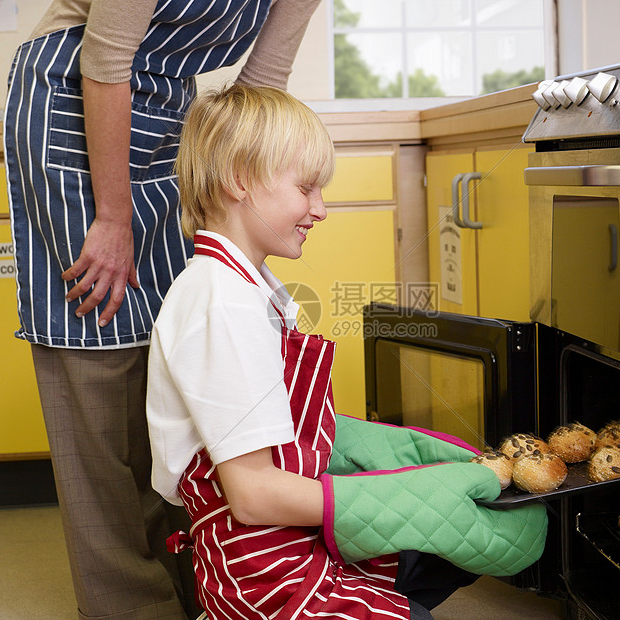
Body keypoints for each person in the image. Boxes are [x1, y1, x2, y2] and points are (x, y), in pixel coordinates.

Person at [146, 83, 549, 620]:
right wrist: (410, 495)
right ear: (238, 180)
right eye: (307, 188)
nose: (321, 209)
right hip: (264, 573)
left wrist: (406, 462)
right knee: (429, 542)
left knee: (453, 539)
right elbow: (251, 496)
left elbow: (288, 431)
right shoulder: (221, 302)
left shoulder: (249, 287)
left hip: (295, 542)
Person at [3, 1, 321, 618]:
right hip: (76, 97)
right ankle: (128, 604)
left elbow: (259, 88)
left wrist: (247, 232)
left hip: (174, 110)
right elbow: (106, 56)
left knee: (180, 347)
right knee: (101, 342)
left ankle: (198, 582)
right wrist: (113, 218)